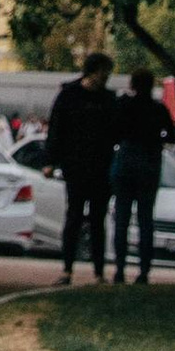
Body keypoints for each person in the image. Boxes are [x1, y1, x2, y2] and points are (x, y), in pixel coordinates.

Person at [44, 48, 118, 281]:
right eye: (104, 73)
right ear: (93, 72)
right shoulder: (69, 95)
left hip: (100, 165)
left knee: (97, 219)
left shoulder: (108, 99)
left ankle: (97, 271)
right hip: (76, 164)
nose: (106, 78)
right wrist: (50, 160)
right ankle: (67, 268)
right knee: (74, 216)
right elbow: (56, 129)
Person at [106, 65, 172, 284]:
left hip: (125, 163)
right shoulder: (158, 109)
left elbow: (113, 132)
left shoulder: (124, 105)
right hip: (149, 165)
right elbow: (172, 135)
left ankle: (119, 269)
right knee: (145, 220)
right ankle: (144, 270)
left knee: (122, 219)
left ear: (132, 84)